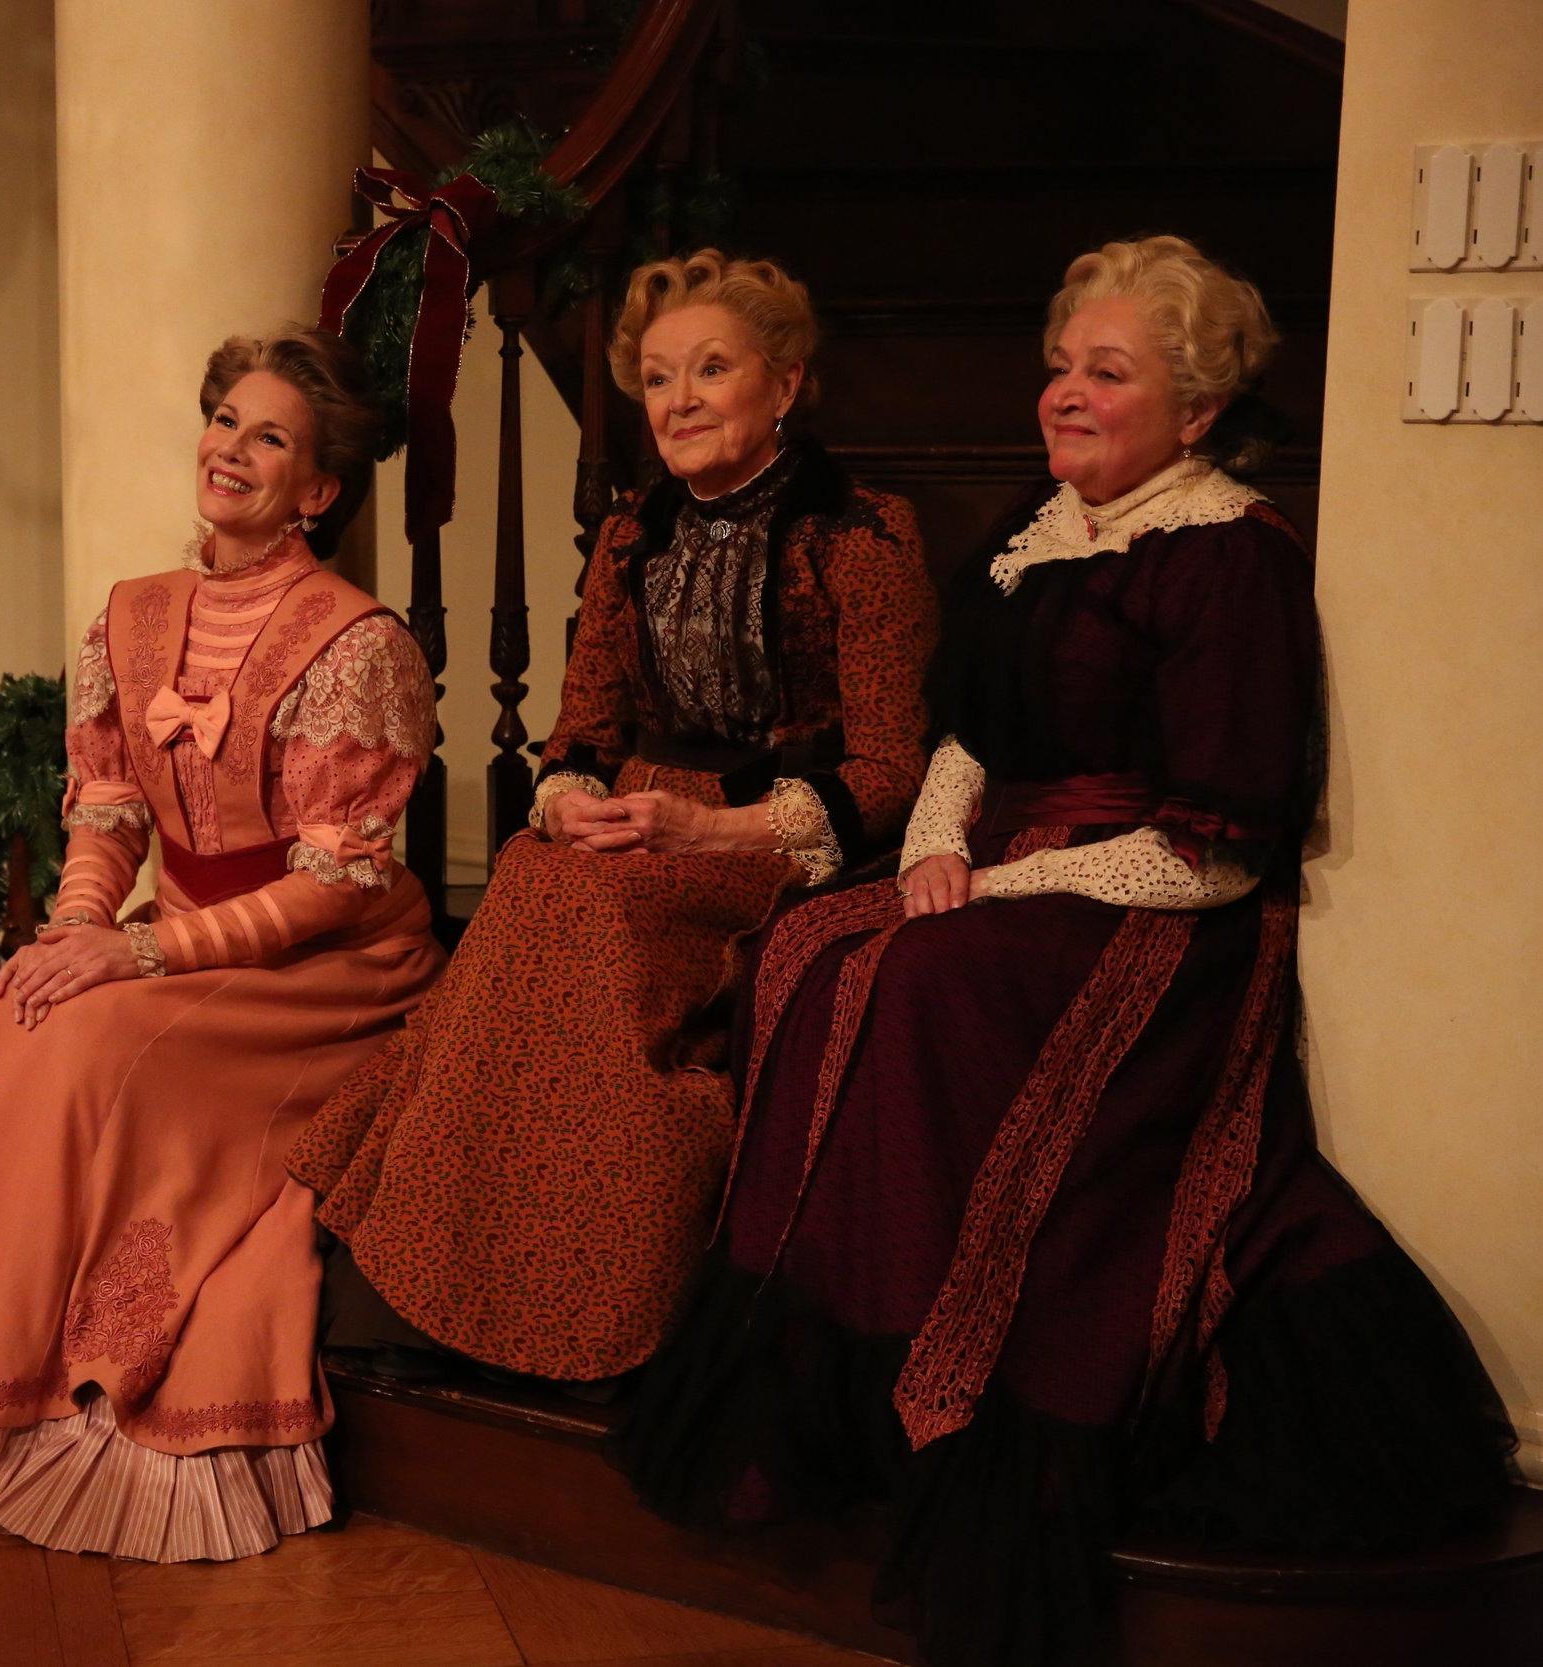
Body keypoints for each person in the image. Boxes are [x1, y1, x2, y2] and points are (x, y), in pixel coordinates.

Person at [611, 237, 1517, 1667]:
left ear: (1199, 408)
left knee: (911, 985)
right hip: (1009, 872)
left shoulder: (1227, 555)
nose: (1066, 393)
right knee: (810, 952)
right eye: (1060, 366)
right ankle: (832, 1396)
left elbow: (1216, 841)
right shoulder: (1041, 537)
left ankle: (948, 1386)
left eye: (1109, 370)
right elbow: (969, 729)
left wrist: (1009, 889)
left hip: (1155, 900)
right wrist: (930, 850)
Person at [0, 329, 441, 1562]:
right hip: (178, 939)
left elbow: (336, 882)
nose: (230, 447)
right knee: (27, 1001)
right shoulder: (131, 613)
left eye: (269, 435)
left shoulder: (358, 641)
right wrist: (76, 925)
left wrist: (148, 957)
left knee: (91, 1041)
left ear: (319, 488)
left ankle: (58, 1374)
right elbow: (108, 805)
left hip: (324, 972)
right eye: (225, 418)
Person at [288, 249, 936, 1386]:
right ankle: (417, 1298)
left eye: (711, 370)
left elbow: (888, 767)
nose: (677, 400)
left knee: (576, 910)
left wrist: (712, 833)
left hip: (771, 835)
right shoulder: (634, 531)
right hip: (635, 815)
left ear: (782, 385)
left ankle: (574, 1306)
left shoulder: (863, 534)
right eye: (656, 377)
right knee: (542, 878)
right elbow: (579, 727)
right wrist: (571, 798)